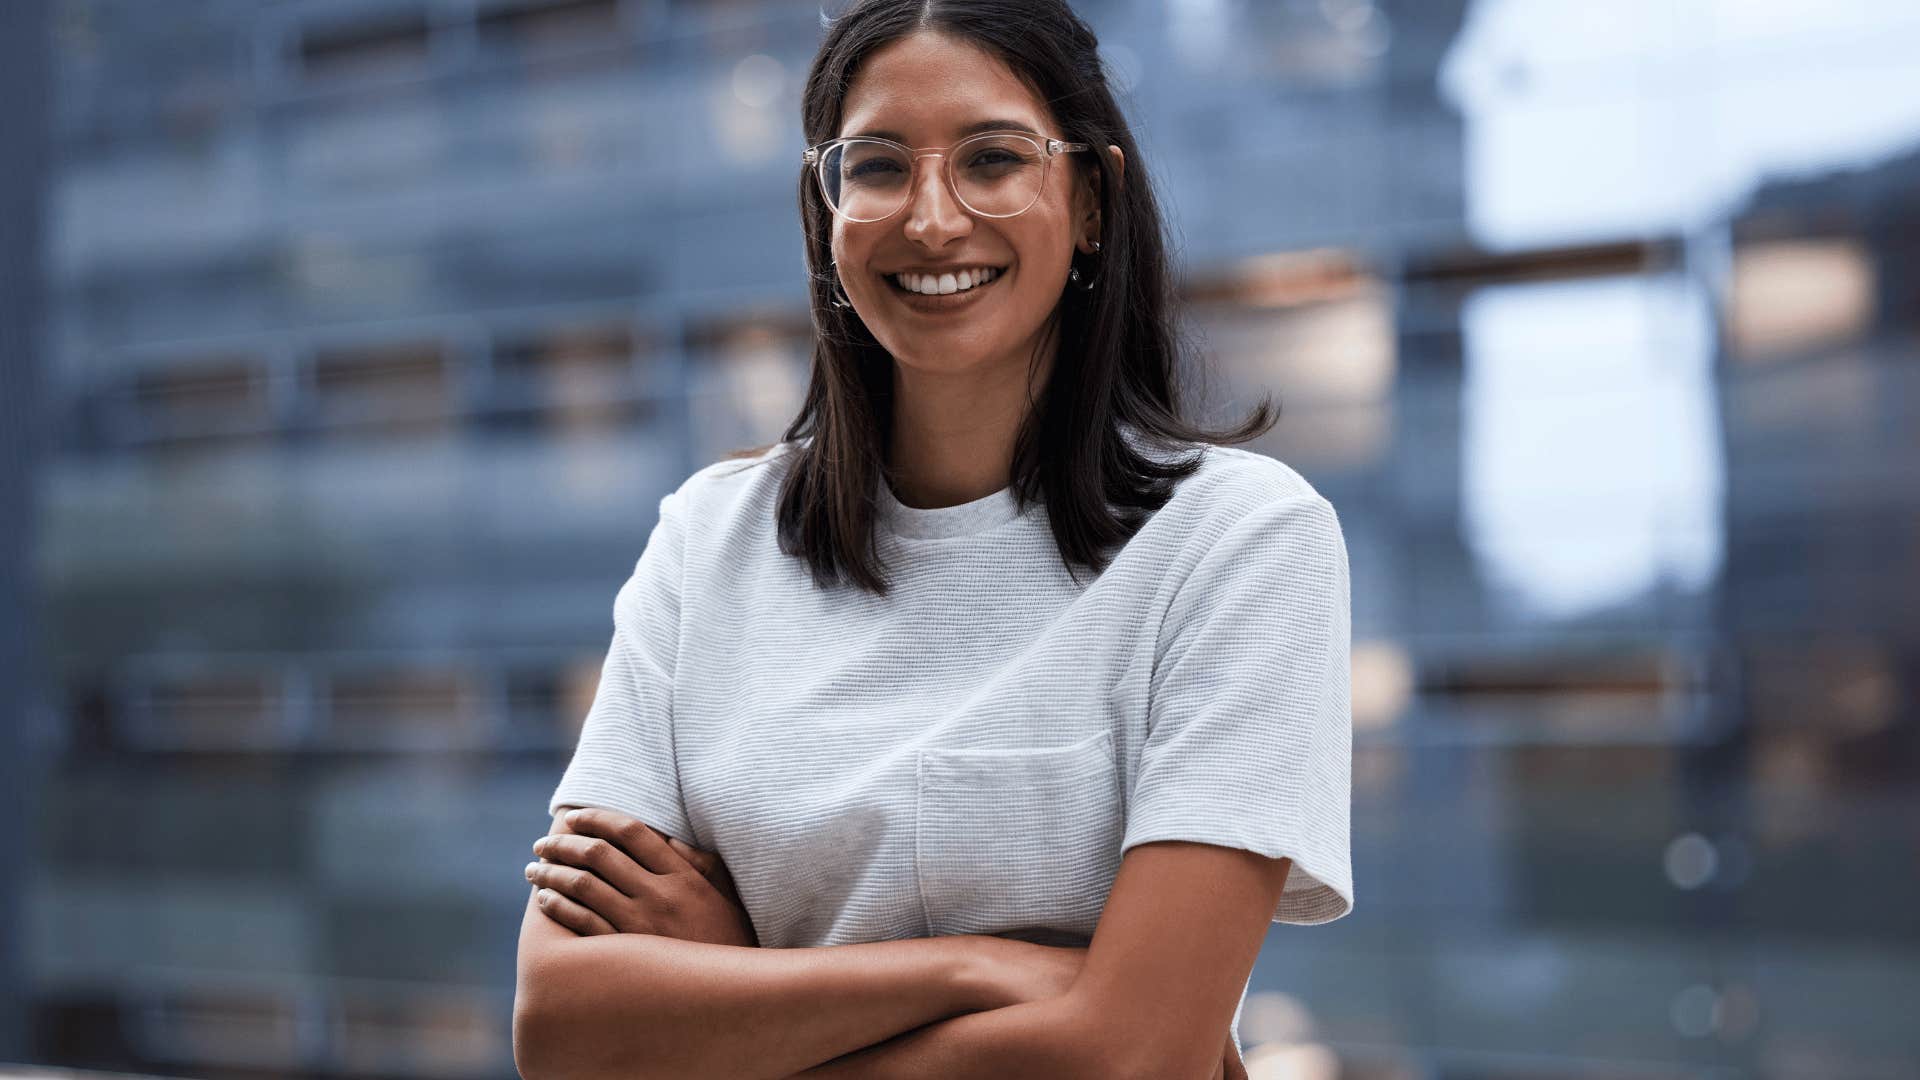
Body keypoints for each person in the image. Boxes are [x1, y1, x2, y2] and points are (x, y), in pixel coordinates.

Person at [512, 1, 1354, 1076]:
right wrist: (983, 968)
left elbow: (1128, 1054)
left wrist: (740, 981)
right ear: (824, 213)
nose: (933, 218)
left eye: (994, 158)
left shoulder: (1239, 543)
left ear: (1091, 199)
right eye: (876, 167)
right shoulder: (705, 542)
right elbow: (562, 1023)